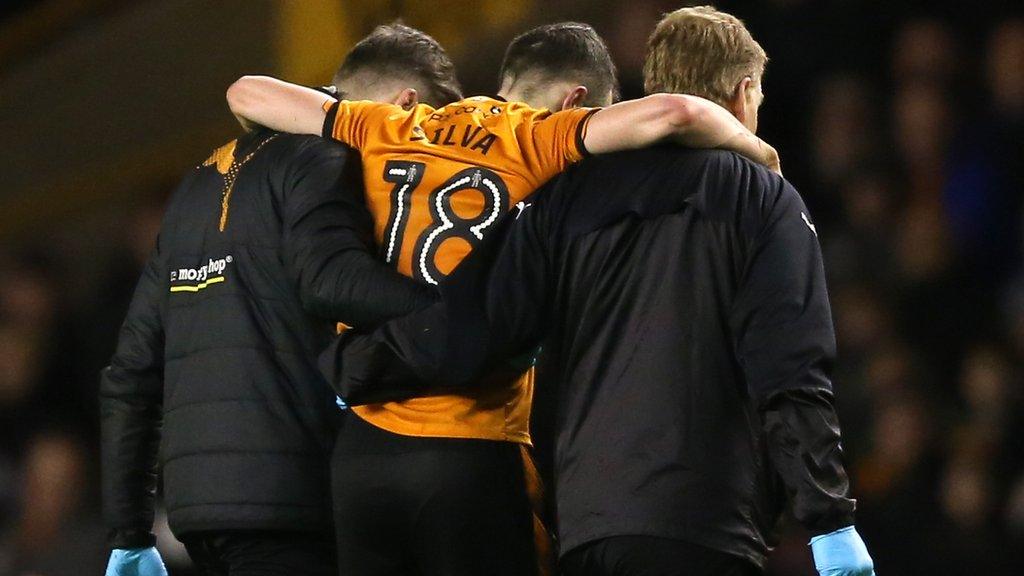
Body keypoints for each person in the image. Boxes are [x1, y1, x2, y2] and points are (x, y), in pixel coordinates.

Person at [326, 7, 875, 576]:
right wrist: (829, 518)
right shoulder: (762, 197)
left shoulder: (565, 195)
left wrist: (356, 366)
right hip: (703, 525)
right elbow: (790, 368)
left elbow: (476, 325)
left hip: (586, 528)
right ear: (742, 93)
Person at [226, 20, 781, 576]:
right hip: (472, 445)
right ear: (575, 102)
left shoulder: (393, 123)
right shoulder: (539, 137)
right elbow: (677, 112)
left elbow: (247, 91)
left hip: (363, 457)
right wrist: (757, 150)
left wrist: (338, 109)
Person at [100, 24, 458, 576]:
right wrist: (459, 314)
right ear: (406, 104)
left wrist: (128, 531)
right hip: (288, 498)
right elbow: (330, 280)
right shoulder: (324, 155)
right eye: (431, 127)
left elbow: (131, 371)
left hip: (200, 515)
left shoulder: (197, 183)